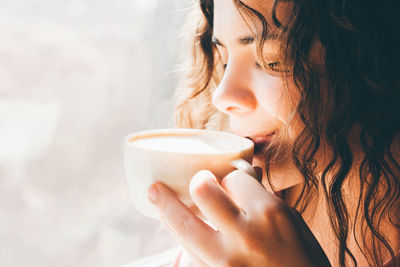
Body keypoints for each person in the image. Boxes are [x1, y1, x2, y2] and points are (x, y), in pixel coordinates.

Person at [147, 0, 400, 266]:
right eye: (224, 63)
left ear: (375, 62)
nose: (222, 96)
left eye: (271, 61)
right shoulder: (242, 222)